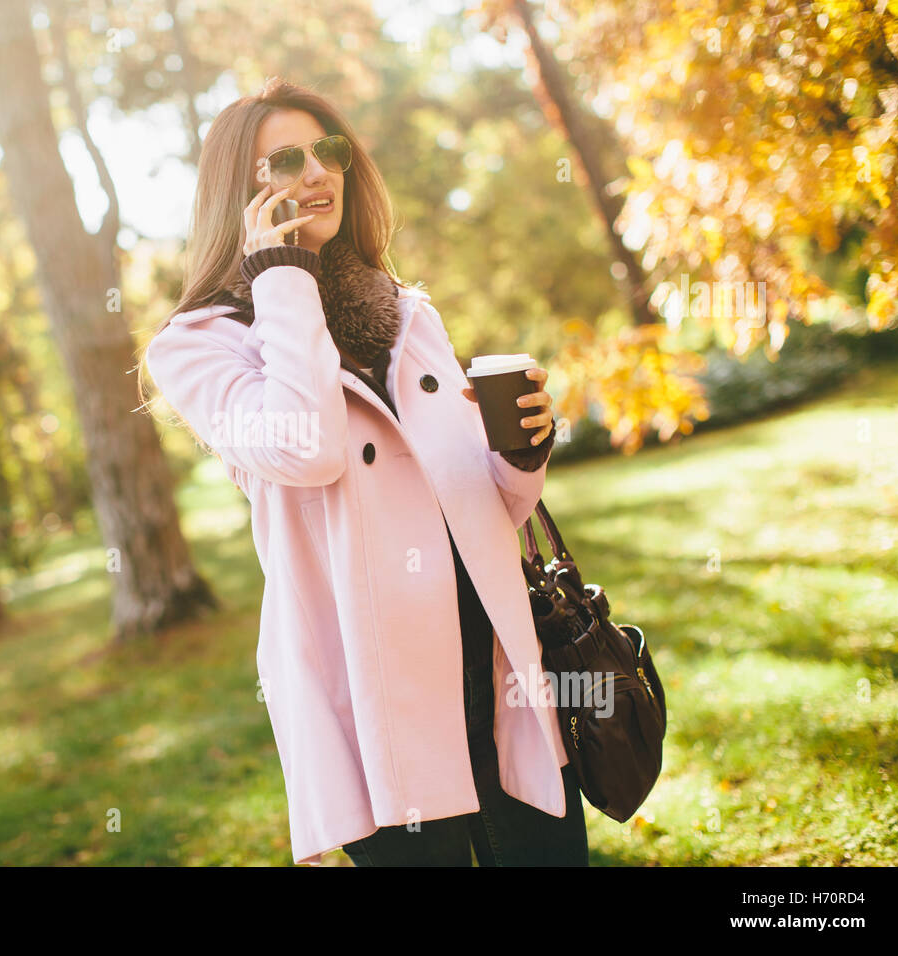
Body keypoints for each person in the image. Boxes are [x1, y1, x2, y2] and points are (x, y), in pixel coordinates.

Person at [139, 77, 588, 867]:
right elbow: (303, 450)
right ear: (235, 192)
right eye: (286, 158)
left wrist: (522, 454)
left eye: (331, 150)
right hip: (371, 690)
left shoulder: (406, 310)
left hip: (494, 655)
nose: (317, 172)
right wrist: (282, 275)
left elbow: (491, 510)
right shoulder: (197, 344)